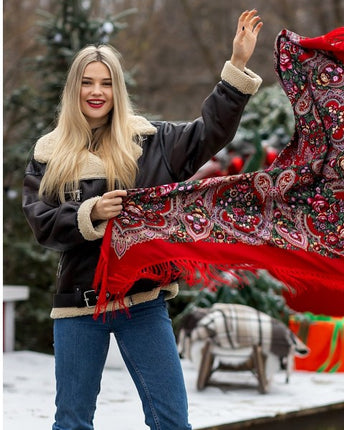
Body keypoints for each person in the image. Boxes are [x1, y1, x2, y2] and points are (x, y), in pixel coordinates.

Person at [22, 9, 263, 430]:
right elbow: (40, 223)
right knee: (72, 422)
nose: (97, 92)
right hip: (79, 306)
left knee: (171, 421)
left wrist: (237, 68)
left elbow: (210, 133)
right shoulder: (49, 152)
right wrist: (89, 212)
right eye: (87, 82)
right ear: (73, 89)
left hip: (143, 303)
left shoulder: (151, 141)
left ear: (118, 89)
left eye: (106, 83)